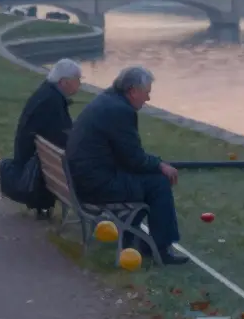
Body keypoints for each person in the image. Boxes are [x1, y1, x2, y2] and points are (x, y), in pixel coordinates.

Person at [66, 66, 188, 266]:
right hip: (96, 186)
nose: (147, 99)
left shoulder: (107, 100)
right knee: (158, 184)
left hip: (84, 179)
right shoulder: (120, 111)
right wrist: (160, 166)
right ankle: (160, 248)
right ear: (132, 91)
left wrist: (154, 164)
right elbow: (134, 159)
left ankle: (136, 238)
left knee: (144, 181)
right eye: (146, 93)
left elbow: (127, 156)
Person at [0, 59, 81, 218]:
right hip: (36, 166)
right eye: (77, 80)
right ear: (64, 82)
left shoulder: (46, 94)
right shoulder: (52, 101)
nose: (80, 84)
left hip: (36, 160)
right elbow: (62, 137)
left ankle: (43, 208)